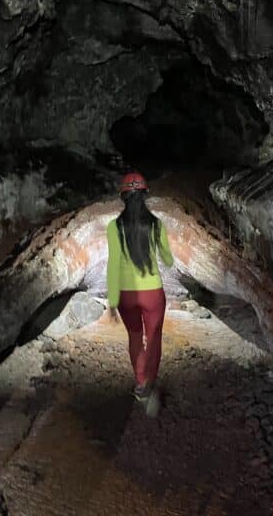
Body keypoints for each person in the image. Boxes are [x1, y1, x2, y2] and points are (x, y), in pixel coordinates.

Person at [106, 171, 174, 413]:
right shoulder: (156, 225)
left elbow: (113, 264)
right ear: (145, 194)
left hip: (126, 294)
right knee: (153, 338)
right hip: (152, 293)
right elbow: (167, 259)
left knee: (135, 338)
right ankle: (150, 385)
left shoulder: (114, 227)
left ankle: (140, 382)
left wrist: (112, 301)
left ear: (123, 197)